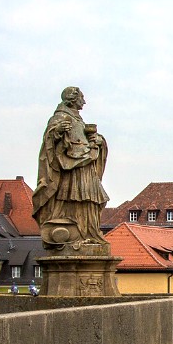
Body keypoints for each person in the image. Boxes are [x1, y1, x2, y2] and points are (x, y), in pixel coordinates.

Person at [32, 86, 109, 249]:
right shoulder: (60, 117)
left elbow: (85, 140)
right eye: (82, 98)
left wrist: (98, 141)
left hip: (85, 164)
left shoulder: (78, 120)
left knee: (90, 200)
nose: (84, 101)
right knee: (75, 197)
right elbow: (49, 141)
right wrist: (57, 132)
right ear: (73, 99)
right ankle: (76, 233)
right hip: (71, 168)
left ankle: (89, 233)